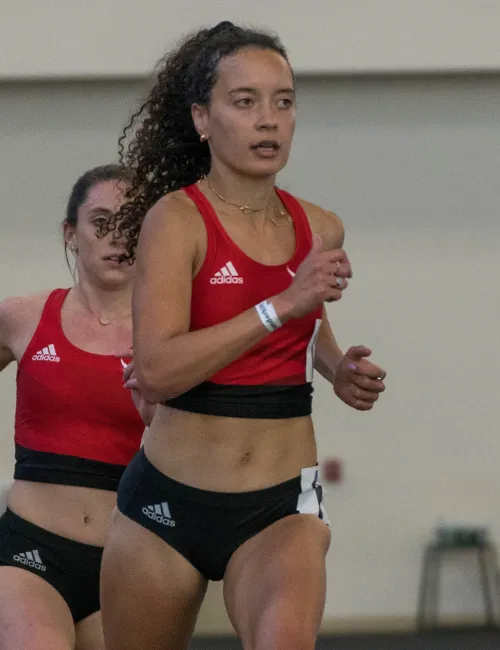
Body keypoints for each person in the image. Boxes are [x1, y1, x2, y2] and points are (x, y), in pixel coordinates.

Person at [100, 22, 386, 650]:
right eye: (245, 101)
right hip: (166, 506)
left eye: (283, 102)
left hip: (281, 507)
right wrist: (282, 303)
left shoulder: (321, 226)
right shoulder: (176, 222)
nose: (268, 120)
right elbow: (158, 372)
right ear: (203, 118)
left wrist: (336, 367)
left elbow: (311, 323)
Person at [0, 165, 153, 650]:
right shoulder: (23, 317)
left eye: (132, 223)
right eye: (101, 222)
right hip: (31, 553)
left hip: (126, 564)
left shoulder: (171, 337)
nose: (117, 238)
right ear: (71, 234)